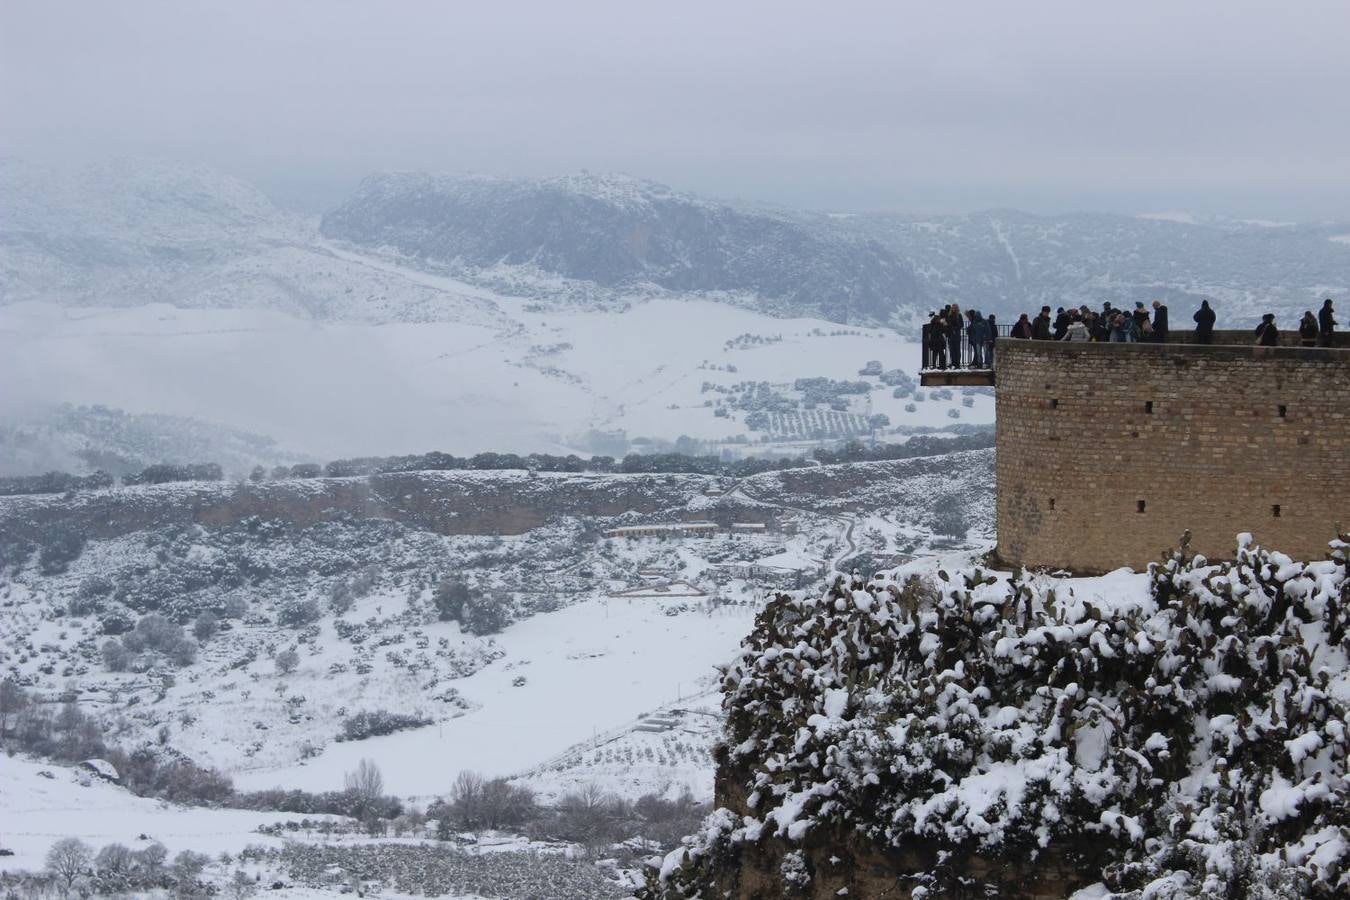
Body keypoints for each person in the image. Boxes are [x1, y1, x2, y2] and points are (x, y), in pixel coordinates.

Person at [946, 304, 964, 368]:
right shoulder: (949, 315)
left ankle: (957, 363)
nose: (953, 309)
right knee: (952, 350)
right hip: (951, 335)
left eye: (954, 308)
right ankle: (953, 363)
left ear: (957, 308)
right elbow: (948, 324)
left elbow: (962, 324)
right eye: (952, 308)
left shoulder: (959, 315)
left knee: (957, 349)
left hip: (957, 335)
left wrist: (956, 328)